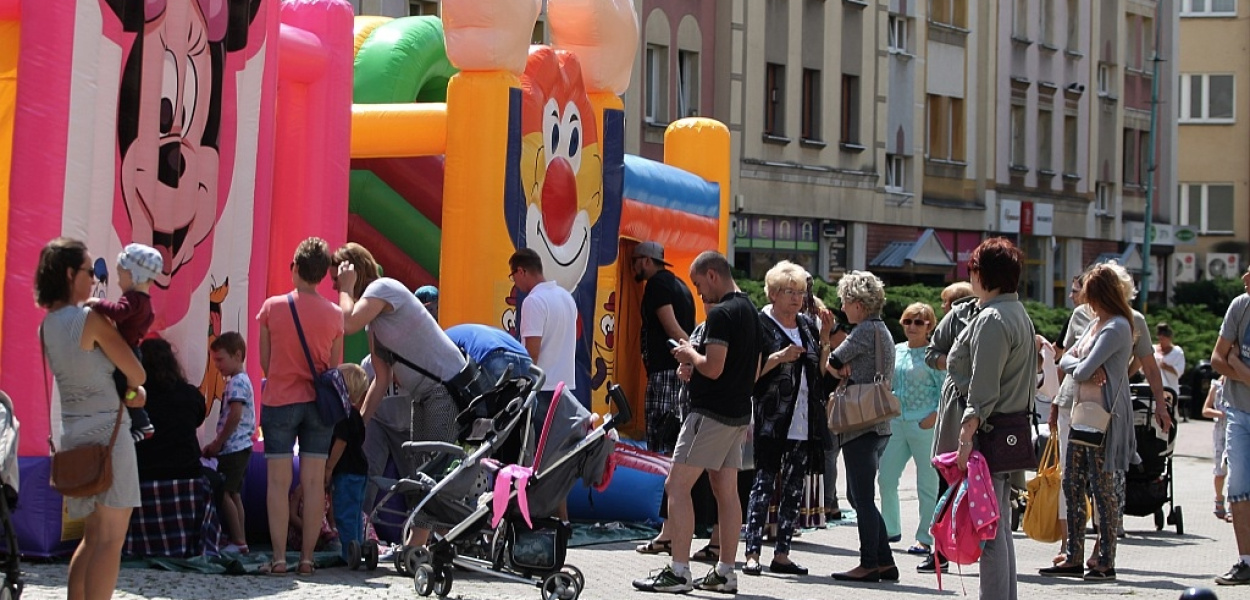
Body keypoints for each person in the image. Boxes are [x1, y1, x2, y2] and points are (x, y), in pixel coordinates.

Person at [633, 251, 762, 594]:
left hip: (710, 415)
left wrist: (690, 355)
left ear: (713, 275)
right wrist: (703, 370)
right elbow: (756, 367)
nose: (699, 292)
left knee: (676, 487)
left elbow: (714, 366)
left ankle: (678, 571)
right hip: (738, 415)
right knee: (726, 492)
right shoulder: (751, 310)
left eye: (699, 284)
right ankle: (725, 572)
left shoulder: (721, 314)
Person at [333, 242, 467, 547]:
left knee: (429, 475)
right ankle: (432, 543)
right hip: (423, 397)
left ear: (353, 272)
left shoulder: (384, 287)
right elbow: (380, 381)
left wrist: (346, 288)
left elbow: (346, 322)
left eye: (337, 280)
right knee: (423, 476)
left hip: (444, 389)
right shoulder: (376, 325)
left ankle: (418, 547)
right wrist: (358, 425)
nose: (336, 287)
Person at [36, 237, 147, 600]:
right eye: (89, 270)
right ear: (70, 274)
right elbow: (136, 373)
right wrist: (134, 393)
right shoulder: (90, 319)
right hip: (109, 439)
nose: (95, 279)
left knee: (91, 537)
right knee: (111, 541)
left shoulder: (48, 326)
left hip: (75, 438)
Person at [1040, 263, 1138, 582]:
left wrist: (1079, 364)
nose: (1081, 296)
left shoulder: (1117, 327)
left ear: (1099, 293)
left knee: (1101, 487)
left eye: (1086, 290)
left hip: (1104, 416)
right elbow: (1066, 358)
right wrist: (1079, 362)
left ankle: (1106, 559)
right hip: (1083, 412)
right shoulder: (1096, 323)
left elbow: (1079, 369)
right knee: (1072, 481)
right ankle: (1074, 555)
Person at [949, 238, 1035, 599]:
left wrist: (965, 439)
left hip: (991, 433)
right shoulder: (1018, 313)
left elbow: (983, 389)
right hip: (1011, 430)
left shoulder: (993, 318)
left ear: (984, 274)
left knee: (989, 529)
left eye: (973, 270)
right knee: (997, 526)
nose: (971, 278)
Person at [256, 237, 345, 576]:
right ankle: (307, 559)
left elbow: (265, 362)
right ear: (324, 274)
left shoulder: (272, 307)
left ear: (294, 267)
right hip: (318, 408)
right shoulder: (335, 314)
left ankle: (279, 558)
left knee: (277, 484)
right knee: (313, 485)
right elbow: (333, 368)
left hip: (280, 399)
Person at [742, 261, 832, 577]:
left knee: (794, 487)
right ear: (774, 293)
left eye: (800, 293)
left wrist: (824, 340)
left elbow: (819, 372)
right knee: (763, 484)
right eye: (789, 292)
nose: (796, 299)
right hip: (771, 417)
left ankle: (782, 553)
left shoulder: (807, 324)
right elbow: (750, 374)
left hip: (804, 419)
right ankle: (752, 551)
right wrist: (779, 358)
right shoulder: (760, 324)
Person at [827, 270, 896, 583]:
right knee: (859, 497)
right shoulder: (882, 330)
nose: (842, 307)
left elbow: (833, 362)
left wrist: (834, 358)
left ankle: (869, 562)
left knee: (862, 498)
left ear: (857, 303)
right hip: (879, 423)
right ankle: (884, 560)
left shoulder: (865, 330)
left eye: (844, 301)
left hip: (861, 424)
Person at [879, 302, 943, 557]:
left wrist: (934, 417)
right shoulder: (897, 351)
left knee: (927, 484)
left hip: (924, 424)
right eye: (908, 321)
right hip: (896, 423)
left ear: (930, 325)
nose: (912, 326)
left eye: (919, 321)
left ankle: (925, 538)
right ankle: (889, 530)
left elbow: (945, 391)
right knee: (885, 477)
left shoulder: (933, 355)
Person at [924, 280, 977, 574]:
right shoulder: (954, 319)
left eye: (946, 302)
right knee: (946, 478)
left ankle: (978, 548)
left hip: (985, 408)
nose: (943, 308)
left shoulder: (997, 316)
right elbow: (932, 353)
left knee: (984, 480)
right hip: (957, 403)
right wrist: (956, 365)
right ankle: (940, 552)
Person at [85, 243, 162, 442]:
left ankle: (142, 423)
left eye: (121, 276)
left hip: (128, 352)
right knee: (129, 392)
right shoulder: (145, 302)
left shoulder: (134, 298)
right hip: (133, 350)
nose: (119, 283)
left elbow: (120, 312)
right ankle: (138, 422)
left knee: (125, 390)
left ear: (133, 275)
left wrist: (97, 303)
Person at [632, 241, 696, 454]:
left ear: (647, 261)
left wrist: (692, 354)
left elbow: (672, 328)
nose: (633, 267)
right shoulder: (681, 285)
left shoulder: (657, 284)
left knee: (660, 436)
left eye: (635, 261)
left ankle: (663, 485)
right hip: (679, 373)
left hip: (665, 373)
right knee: (675, 435)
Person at [1210, 263, 1250, 586]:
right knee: (1237, 486)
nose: (1245, 279)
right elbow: (1216, 358)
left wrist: (1236, 362)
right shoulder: (1241, 306)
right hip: (1238, 412)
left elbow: (1228, 358)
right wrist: (1231, 362)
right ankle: (1245, 561)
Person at [203, 331, 256, 555]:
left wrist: (218, 442)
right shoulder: (241, 381)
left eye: (220, 360)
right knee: (234, 494)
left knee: (224, 492)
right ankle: (240, 537)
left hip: (234, 447)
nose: (217, 366)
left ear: (237, 355)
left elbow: (234, 415)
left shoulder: (236, 383)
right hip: (241, 446)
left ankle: (238, 539)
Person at [508, 248, 578, 412]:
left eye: (513, 276)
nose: (514, 282)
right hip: (565, 387)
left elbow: (531, 354)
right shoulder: (566, 297)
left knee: (538, 437)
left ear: (521, 271)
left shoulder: (533, 301)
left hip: (542, 388)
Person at [134, 338, 206, 482]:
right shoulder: (190, 394)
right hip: (187, 476)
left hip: (143, 477)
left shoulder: (135, 397)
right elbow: (198, 419)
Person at [328, 363, 370, 562]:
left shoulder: (342, 414)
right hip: (360, 469)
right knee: (355, 512)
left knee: (344, 511)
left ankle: (349, 552)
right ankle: (358, 546)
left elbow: (341, 442)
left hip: (346, 471)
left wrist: (328, 468)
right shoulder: (355, 415)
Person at [445, 323, 533, 384]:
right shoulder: (455, 333)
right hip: (523, 356)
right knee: (528, 406)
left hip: (493, 353)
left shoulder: (443, 340)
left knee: (490, 406)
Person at [1203, 377, 1233, 522]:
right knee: (1221, 471)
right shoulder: (1217, 386)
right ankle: (1219, 499)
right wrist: (1221, 414)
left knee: (1236, 470)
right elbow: (1205, 410)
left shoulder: (1241, 384)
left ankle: (1233, 506)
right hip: (1221, 432)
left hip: (1239, 430)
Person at [1155, 322, 1186, 400]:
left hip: (1170, 390)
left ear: (1169, 338)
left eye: (1164, 339)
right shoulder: (1153, 350)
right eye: (1160, 339)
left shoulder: (1177, 352)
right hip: (1153, 389)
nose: (1162, 341)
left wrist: (1166, 367)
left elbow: (1180, 371)